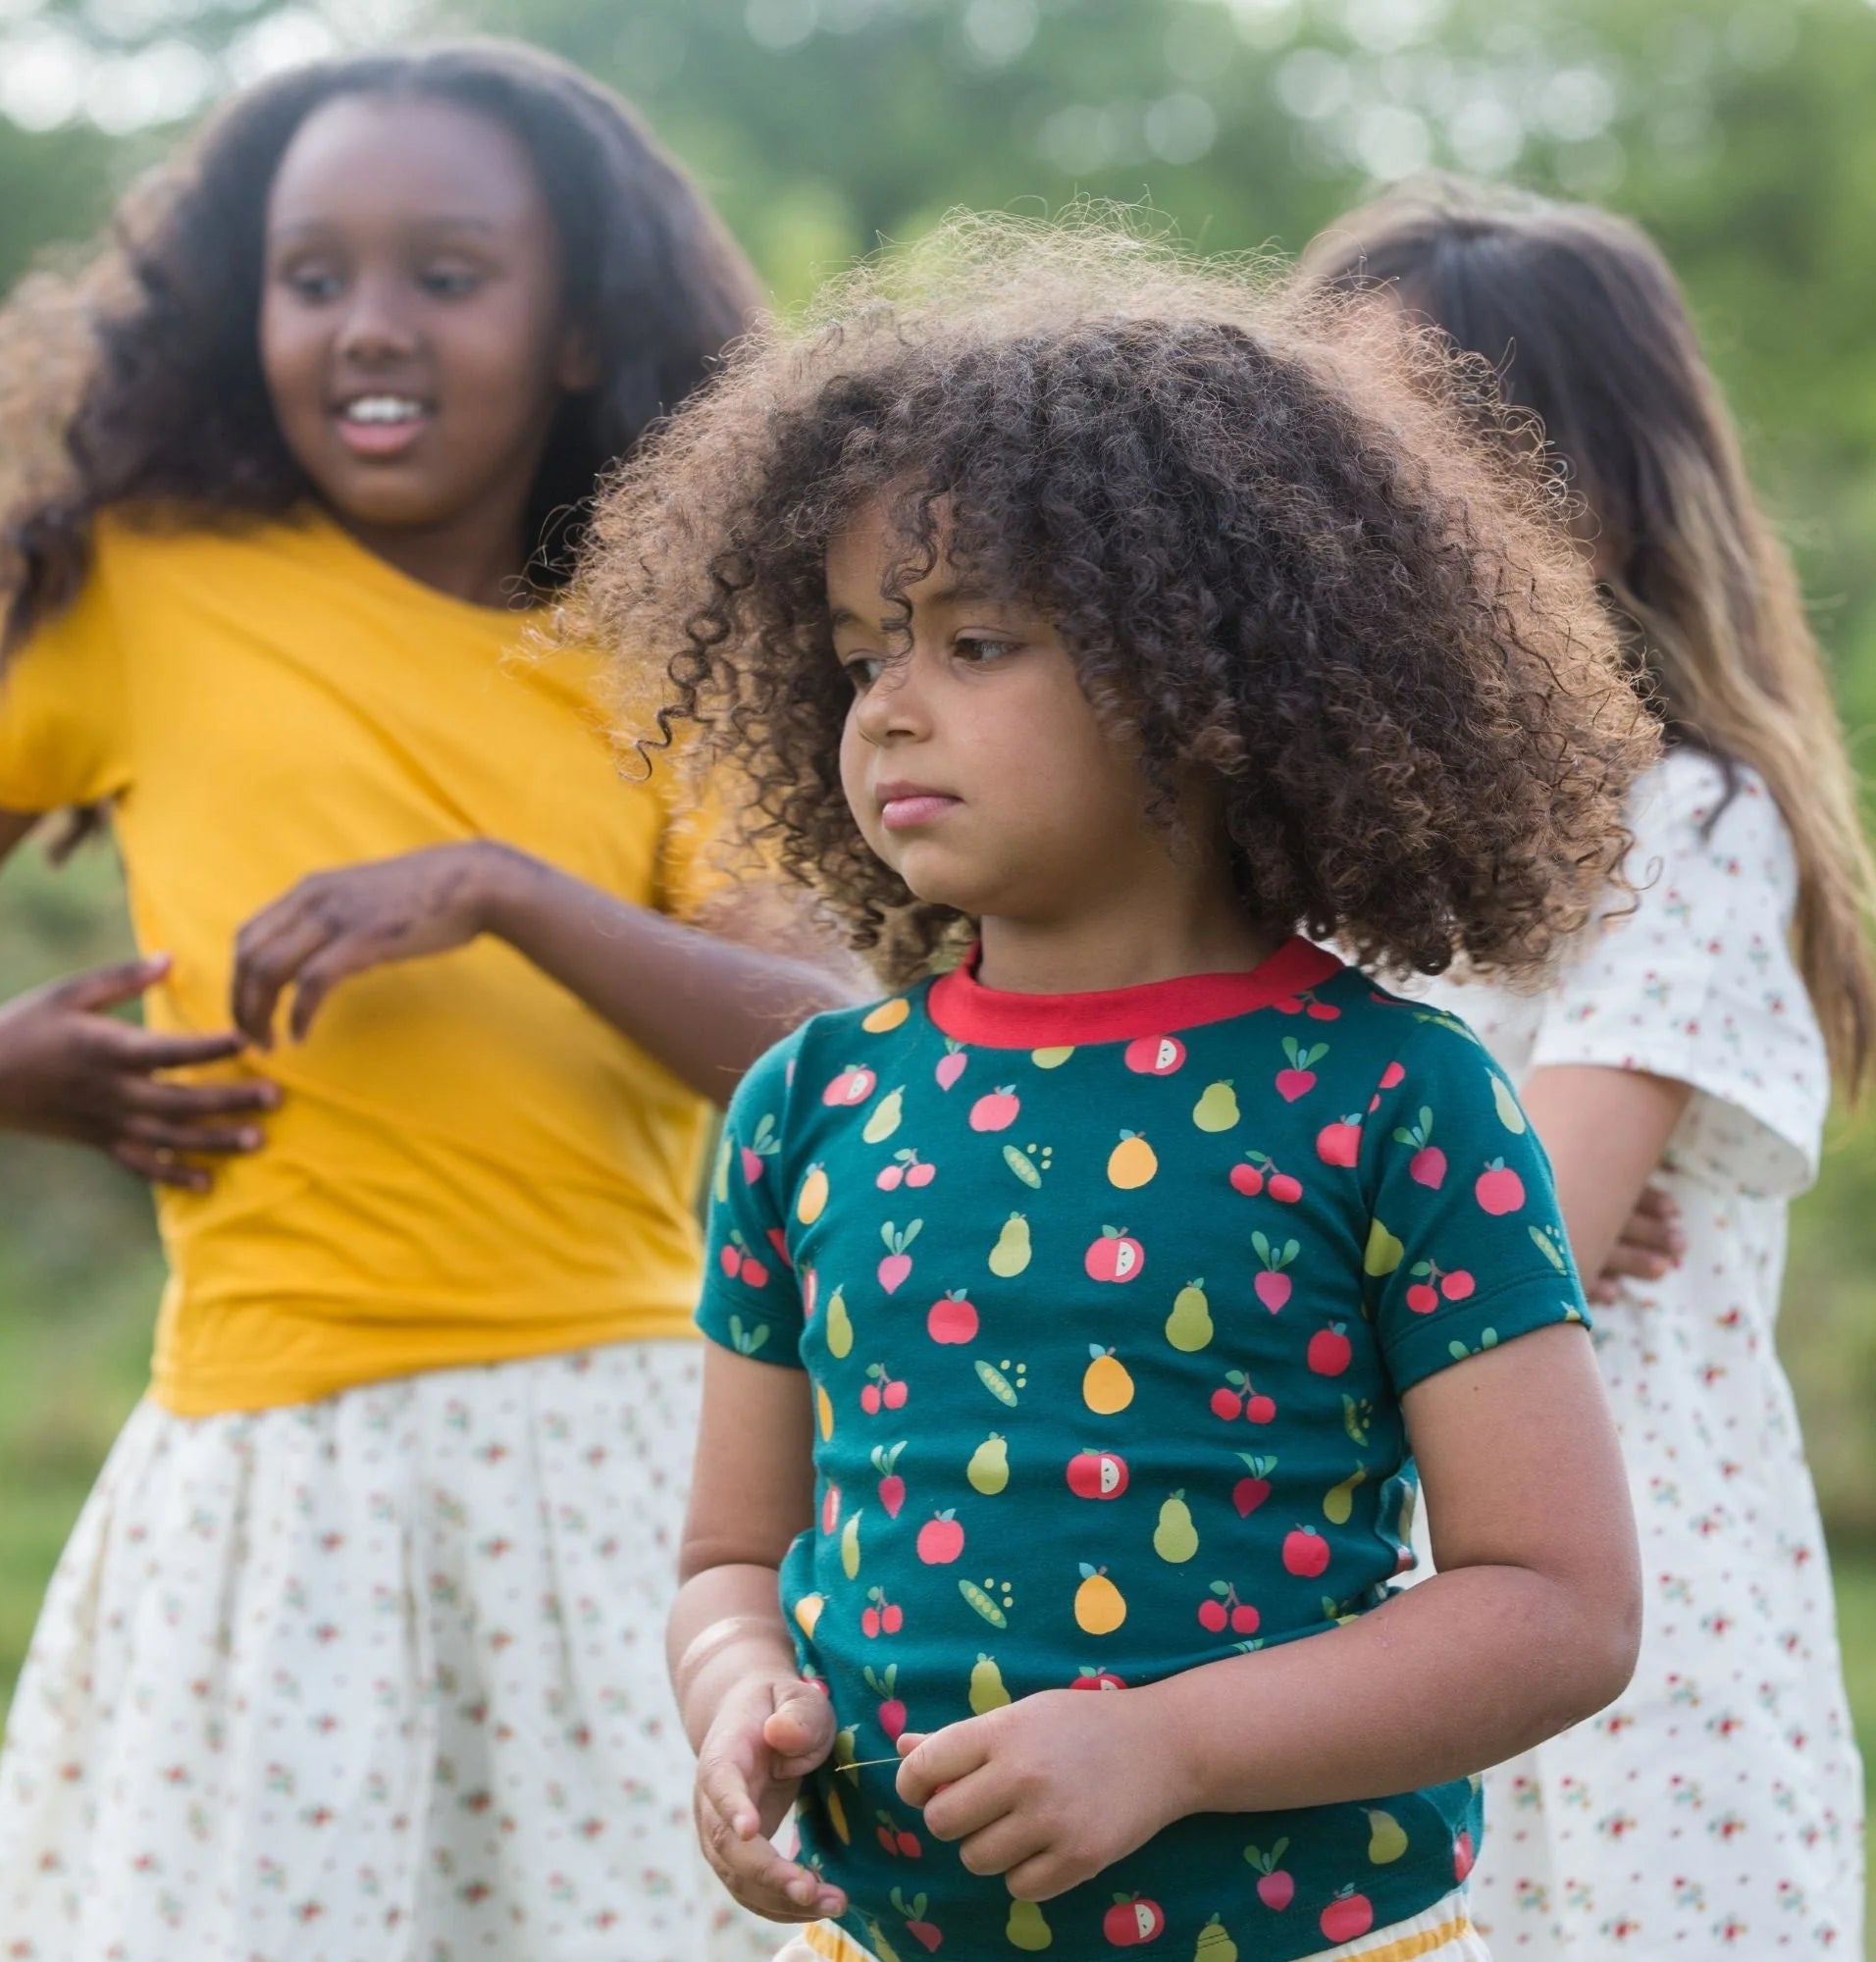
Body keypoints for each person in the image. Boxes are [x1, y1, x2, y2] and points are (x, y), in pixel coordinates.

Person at [572, 214, 1653, 1962]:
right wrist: (738, 1692)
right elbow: (729, 1558)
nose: (888, 711)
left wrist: (1167, 1745)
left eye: (972, 643)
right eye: (860, 655)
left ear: (1209, 672)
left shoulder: (1395, 1100)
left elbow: (1558, 1606)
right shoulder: (809, 1104)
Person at [0, 41, 849, 1962]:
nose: (366, 325)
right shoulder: (137, 592)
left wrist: (503, 892)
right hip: (271, 1472)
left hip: (618, 1461)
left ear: (578, 330)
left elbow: (813, 1038)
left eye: (444, 271)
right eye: (311, 272)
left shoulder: (671, 647)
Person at [1302, 179, 1871, 1954]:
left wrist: (1420, 1196)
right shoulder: (1285, 845)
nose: (1350, 514)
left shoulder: (1680, 817)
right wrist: (1427, 1190)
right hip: (1333, 1574)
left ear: (1598, 499)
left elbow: (1521, 1238)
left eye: (1416, 458)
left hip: (1618, 1614)